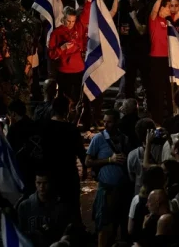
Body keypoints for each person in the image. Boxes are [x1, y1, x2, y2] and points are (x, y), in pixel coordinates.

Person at [85, 110, 132, 247]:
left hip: (122, 191)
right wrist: (109, 160)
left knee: (123, 226)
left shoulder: (125, 139)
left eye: (109, 121)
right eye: (104, 121)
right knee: (104, 227)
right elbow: (88, 161)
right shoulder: (98, 139)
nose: (106, 124)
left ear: (117, 122)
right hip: (106, 190)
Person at [149, 0, 179, 123]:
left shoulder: (169, 20)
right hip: (156, 59)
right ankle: (157, 117)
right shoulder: (154, 19)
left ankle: (168, 117)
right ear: (161, 8)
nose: (170, 9)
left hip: (168, 59)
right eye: (167, 7)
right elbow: (154, 10)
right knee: (158, 88)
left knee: (168, 88)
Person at [40, 97, 87, 216]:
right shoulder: (71, 130)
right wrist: (85, 169)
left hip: (49, 173)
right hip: (68, 174)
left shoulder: (43, 126)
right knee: (71, 208)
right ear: (66, 110)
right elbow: (81, 152)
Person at [47, 3, 90, 106]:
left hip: (79, 70)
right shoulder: (56, 33)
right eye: (68, 21)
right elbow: (51, 55)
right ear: (63, 19)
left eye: (73, 21)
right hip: (64, 71)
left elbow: (86, 13)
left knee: (79, 100)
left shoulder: (78, 28)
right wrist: (62, 48)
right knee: (64, 100)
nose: (71, 24)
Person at [17, 173, 74, 246]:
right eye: (39, 183)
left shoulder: (61, 206)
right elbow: (20, 234)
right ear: (35, 183)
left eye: (45, 183)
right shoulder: (24, 206)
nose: (41, 187)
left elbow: (65, 232)